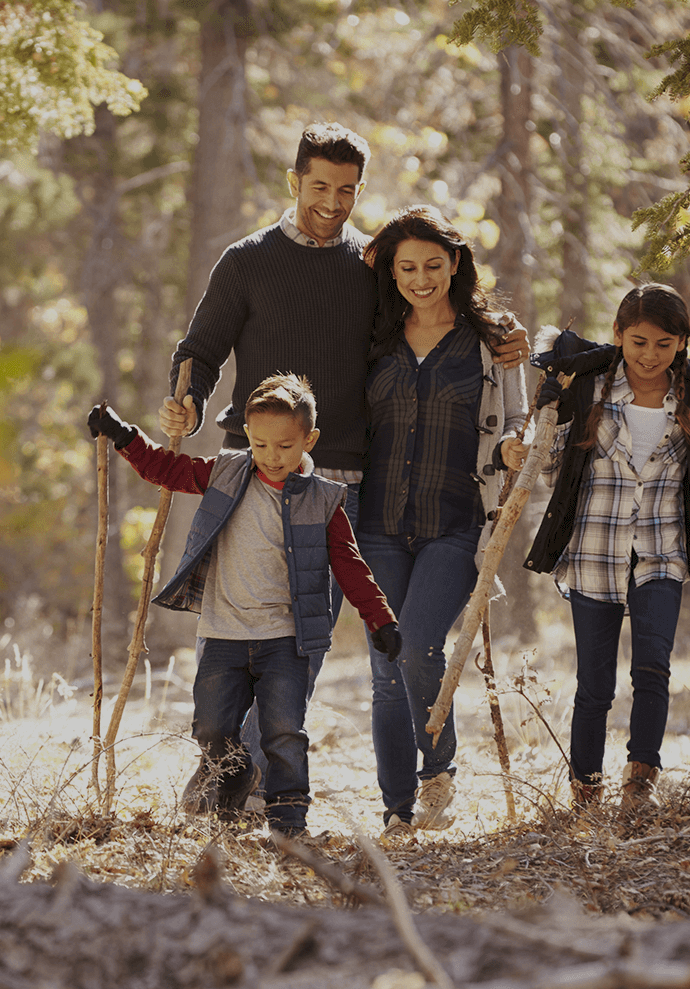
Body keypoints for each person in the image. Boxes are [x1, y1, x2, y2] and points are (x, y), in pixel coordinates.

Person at [159, 122, 529, 809]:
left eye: (347, 190)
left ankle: (242, 774)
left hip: (342, 485)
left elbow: (435, 314)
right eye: (320, 186)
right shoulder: (245, 260)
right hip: (254, 474)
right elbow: (201, 349)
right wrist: (184, 397)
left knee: (307, 639)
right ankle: (225, 763)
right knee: (245, 629)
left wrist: (504, 334)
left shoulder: (369, 266)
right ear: (294, 181)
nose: (332, 201)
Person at [88, 374, 400, 837]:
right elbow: (166, 469)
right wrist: (123, 435)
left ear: (309, 440)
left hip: (285, 640)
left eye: (285, 446)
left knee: (283, 732)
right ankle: (234, 775)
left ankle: (289, 820)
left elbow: (349, 564)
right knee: (210, 727)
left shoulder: (323, 499)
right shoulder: (226, 473)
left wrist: (379, 617)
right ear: (247, 438)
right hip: (222, 634)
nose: (272, 457)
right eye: (260, 444)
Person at [523, 282, 690, 814]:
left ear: (682, 342)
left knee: (652, 670)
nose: (649, 355)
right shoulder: (589, 391)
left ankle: (640, 784)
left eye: (664, 344)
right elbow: (549, 474)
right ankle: (585, 793)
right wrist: (551, 418)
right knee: (594, 684)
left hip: (662, 555)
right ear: (618, 336)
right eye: (638, 342)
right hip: (594, 554)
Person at [357, 206, 529, 837]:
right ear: (392, 272)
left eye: (433, 264)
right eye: (408, 267)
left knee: (419, 644)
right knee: (385, 666)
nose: (421, 278)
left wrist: (515, 445)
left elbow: (518, 417)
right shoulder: (373, 332)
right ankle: (396, 808)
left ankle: (437, 772)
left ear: (455, 263)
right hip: (376, 523)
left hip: (457, 523)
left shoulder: (492, 340)